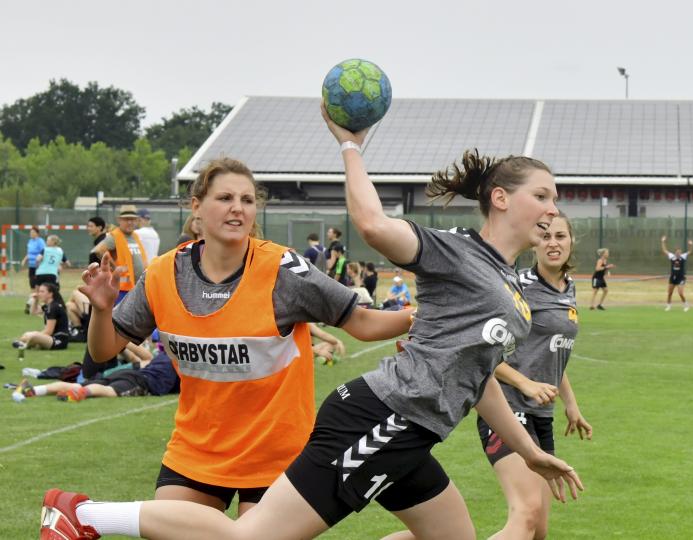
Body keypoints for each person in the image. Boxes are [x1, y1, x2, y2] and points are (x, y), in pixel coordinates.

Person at [41, 117, 582, 539]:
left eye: (555, 199)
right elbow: (371, 224)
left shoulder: (508, 280)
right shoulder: (457, 251)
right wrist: (351, 146)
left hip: (414, 433)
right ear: (501, 198)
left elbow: (476, 373)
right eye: (544, 195)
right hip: (382, 417)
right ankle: (82, 514)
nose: (552, 209)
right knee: (250, 537)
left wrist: (529, 451)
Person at [41, 156, 414, 530]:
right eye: (225, 198)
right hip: (196, 451)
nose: (238, 208)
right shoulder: (163, 273)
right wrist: (103, 311)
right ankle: (82, 515)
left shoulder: (284, 269)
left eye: (248, 200)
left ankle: (86, 515)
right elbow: (103, 351)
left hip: (276, 456)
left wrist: (424, 317)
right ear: (197, 206)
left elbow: (362, 322)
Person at [475, 214, 592, 540]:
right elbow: (480, 350)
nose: (553, 243)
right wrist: (524, 382)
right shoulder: (518, 288)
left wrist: (571, 404)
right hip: (506, 410)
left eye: (560, 236)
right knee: (525, 517)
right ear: (534, 243)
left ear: (571, 242)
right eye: (546, 236)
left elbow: (553, 352)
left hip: (542, 417)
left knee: (538, 530)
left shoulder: (569, 288)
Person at [13, 341, 179, 402]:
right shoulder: (181, 368)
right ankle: (82, 393)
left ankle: (34, 389)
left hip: (127, 373)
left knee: (88, 383)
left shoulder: (161, 358)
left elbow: (142, 362)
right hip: (142, 382)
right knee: (110, 391)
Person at [92, 204, 148, 305]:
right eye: (126, 219)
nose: (130, 222)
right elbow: (99, 251)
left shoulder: (134, 235)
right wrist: (115, 267)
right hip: (121, 290)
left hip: (136, 288)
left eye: (132, 219)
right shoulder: (115, 236)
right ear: (119, 220)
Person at [12, 282, 70, 351]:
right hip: (51, 338)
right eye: (39, 291)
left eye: (42, 291)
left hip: (59, 340)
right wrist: (36, 300)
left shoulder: (53, 307)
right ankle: (31, 343)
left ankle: (25, 345)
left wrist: (35, 335)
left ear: (50, 294)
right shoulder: (49, 306)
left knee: (33, 336)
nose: (39, 294)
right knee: (26, 334)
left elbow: (49, 331)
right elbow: (33, 312)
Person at [661, 236, 693, 312]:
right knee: (669, 293)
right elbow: (664, 250)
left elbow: (690, 252)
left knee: (680, 293)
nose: (679, 253)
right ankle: (668, 306)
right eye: (677, 252)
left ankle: (686, 305)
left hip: (681, 278)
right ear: (675, 252)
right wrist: (663, 241)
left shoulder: (683, 256)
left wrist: (691, 245)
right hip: (673, 277)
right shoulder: (672, 256)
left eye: (680, 252)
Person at [21, 225, 46, 314]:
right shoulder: (30, 241)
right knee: (32, 285)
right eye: (30, 232)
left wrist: (39, 264)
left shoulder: (41, 242)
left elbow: (43, 253)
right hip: (31, 266)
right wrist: (24, 260)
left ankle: (34, 305)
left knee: (37, 286)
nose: (31, 234)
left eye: (33, 232)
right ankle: (33, 304)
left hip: (38, 267)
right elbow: (29, 253)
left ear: (37, 233)